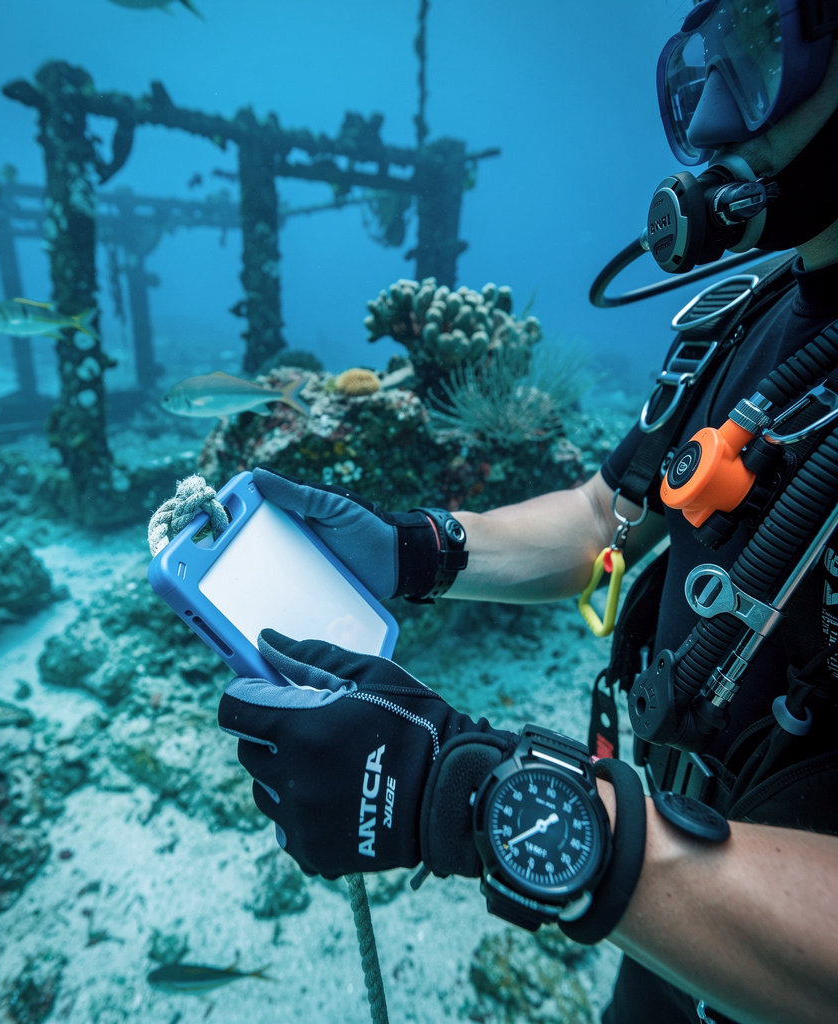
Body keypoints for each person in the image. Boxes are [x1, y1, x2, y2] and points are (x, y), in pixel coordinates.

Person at [216, 3, 838, 1022]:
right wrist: (414, 550)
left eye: (767, 55)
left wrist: (473, 795)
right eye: (709, 64)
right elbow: (603, 521)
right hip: (678, 906)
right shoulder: (753, 320)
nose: (716, 118)